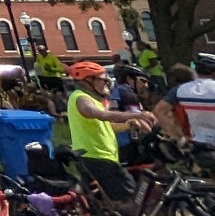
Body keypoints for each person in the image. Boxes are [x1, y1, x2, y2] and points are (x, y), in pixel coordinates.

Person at [63, 62, 151, 207]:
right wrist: (136, 115)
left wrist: (128, 125)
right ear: (88, 80)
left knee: (98, 201)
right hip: (96, 156)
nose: (107, 83)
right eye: (103, 80)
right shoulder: (80, 98)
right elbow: (97, 114)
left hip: (102, 156)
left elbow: (106, 126)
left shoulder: (94, 100)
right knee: (129, 198)